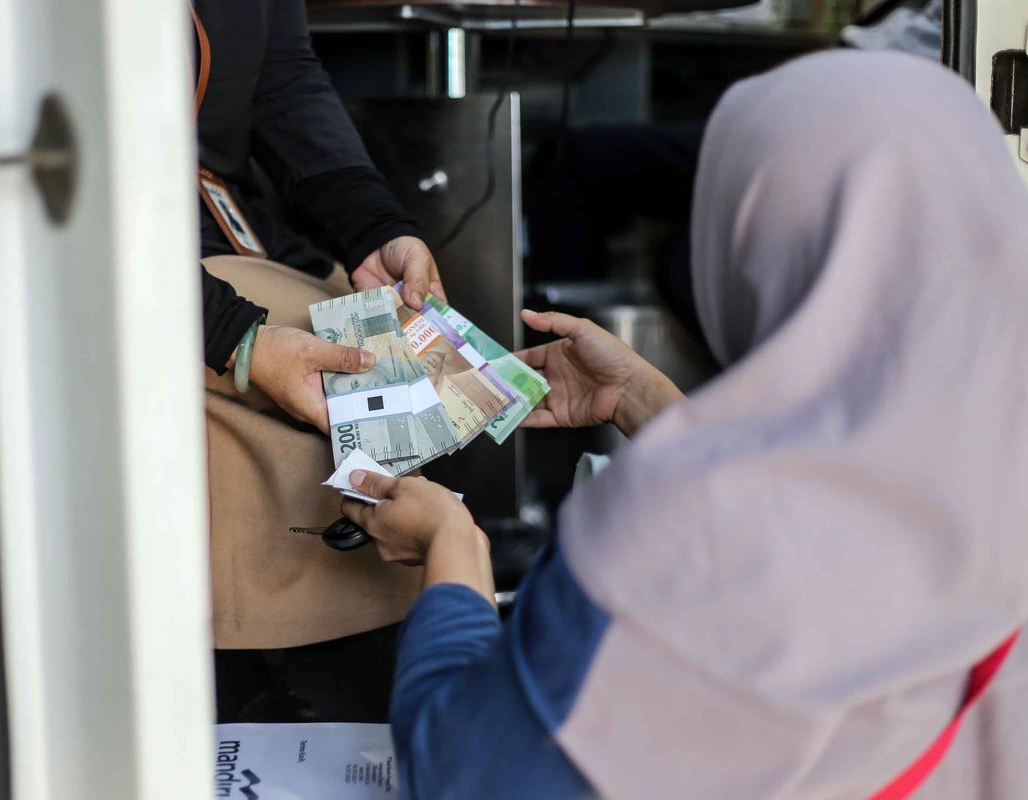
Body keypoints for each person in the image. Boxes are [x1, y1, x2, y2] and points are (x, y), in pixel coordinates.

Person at [340, 50, 1028, 797]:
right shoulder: (991, 471)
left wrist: (452, 552)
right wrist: (648, 401)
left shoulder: (697, 540)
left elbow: (465, 772)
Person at [189, 0, 445, 720]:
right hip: (113, 244)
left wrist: (370, 225)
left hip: (226, 225)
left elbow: (283, 76)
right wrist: (234, 339)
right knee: (313, 396)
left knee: (382, 345)